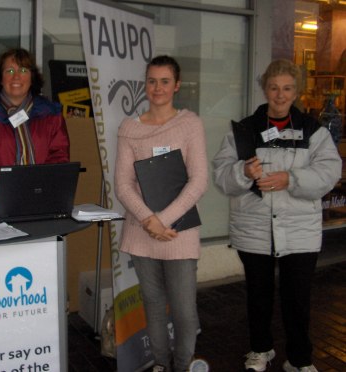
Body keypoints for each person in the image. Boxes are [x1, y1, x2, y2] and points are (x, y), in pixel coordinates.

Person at [212, 59, 341, 372]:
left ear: (296, 92)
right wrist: (242, 171)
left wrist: (291, 180)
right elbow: (221, 175)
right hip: (253, 228)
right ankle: (260, 349)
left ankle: (298, 360)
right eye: (274, 88)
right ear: (265, 89)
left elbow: (329, 171)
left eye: (287, 88)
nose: (280, 95)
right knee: (259, 297)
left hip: (299, 231)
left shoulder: (314, 131)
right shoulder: (244, 131)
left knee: (297, 300)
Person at [114, 55, 208, 372]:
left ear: (177, 86)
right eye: (152, 80)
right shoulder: (129, 129)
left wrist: (162, 220)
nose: (158, 88)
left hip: (178, 231)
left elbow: (199, 180)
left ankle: (182, 366)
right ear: (145, 84)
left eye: (165, 81)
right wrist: (149, 220)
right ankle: (160, 365)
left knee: (183, 310)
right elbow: (123, 185)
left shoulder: (189, 124)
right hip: (142, 230)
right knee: (153, 305)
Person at [0, 48, 70, 208]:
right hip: (1, 203)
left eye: (23, 70)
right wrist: (16, 190)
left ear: (32, 77)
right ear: (0, 78)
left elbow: (60, 155)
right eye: (9, 70)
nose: (16, 76)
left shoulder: (51, 113)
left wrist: (38, 189)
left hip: (45, 200)